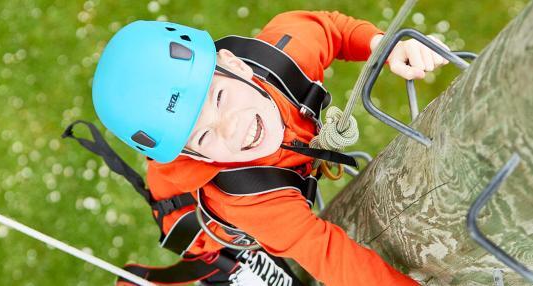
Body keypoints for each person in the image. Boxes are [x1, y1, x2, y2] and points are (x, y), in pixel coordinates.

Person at [90, 10, 449, 285]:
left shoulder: (284, 58)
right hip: (215, 233)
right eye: (204, 138)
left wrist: (384, 46)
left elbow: (329, 29)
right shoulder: (251, 201)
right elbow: (335, 258)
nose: (233, 129)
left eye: (219, 97)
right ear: (193, 157)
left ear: (233, 63)